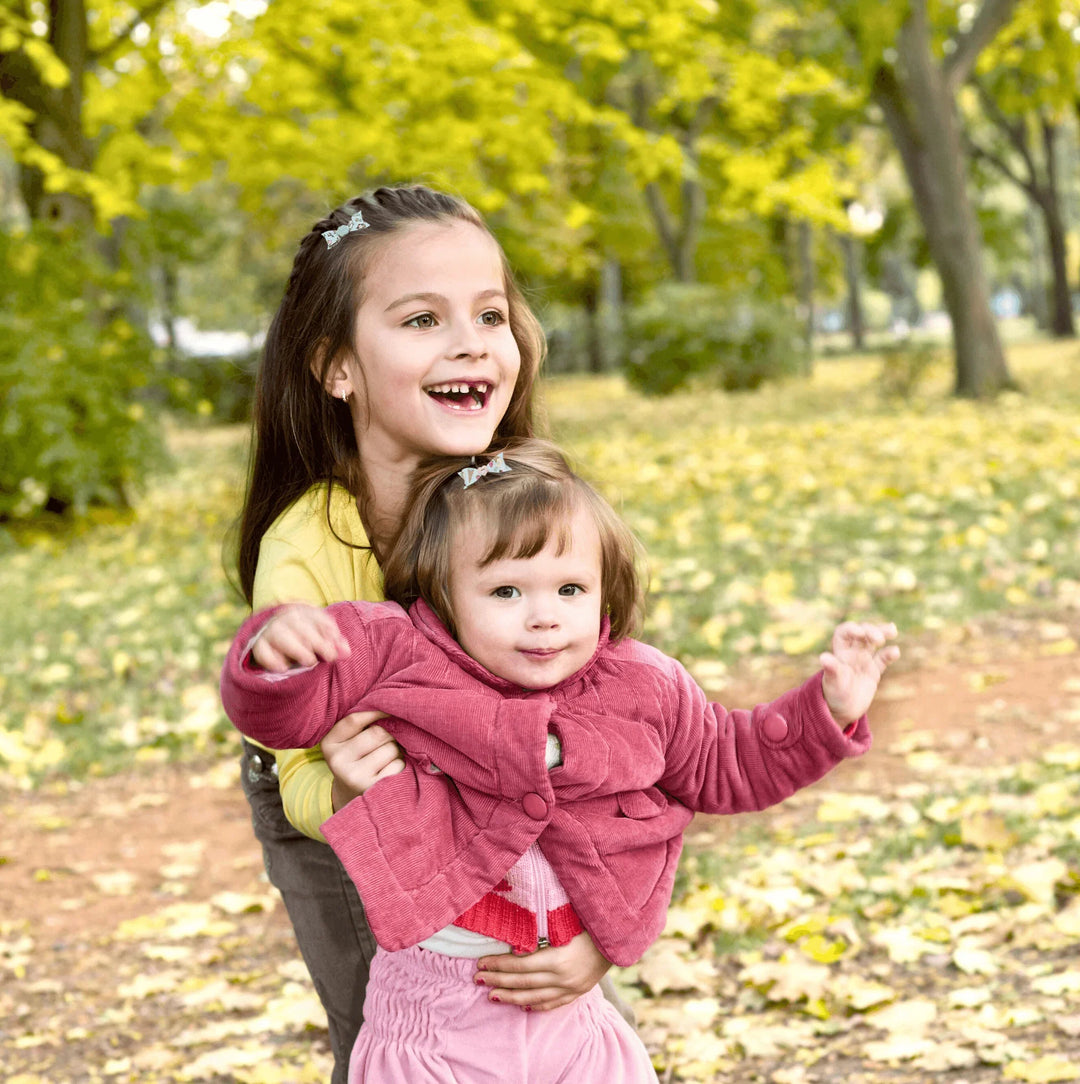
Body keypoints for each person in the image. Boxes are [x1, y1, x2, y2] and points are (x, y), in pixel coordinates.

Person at [222, 438, 900, 1083]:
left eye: (569, 590)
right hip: (435, 1024)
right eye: (506, 592)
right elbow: (292, 712)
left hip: (574, 1028)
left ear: (605, 587)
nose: (544, 617)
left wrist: (829, 711)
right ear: (442, 596)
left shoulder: (646, 686)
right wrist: (277, 652)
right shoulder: (403, 658)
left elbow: (732, 761)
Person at [234, 185, 623, 1084]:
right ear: (336, 368)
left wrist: (603, 929)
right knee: (395, 1038)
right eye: (421, 319)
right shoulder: (312, 549)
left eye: (491, 313)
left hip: (513, 794)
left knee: (557, 1024)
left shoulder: (533, 509)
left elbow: (626, 742)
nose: (470, 342)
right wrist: (345, 789)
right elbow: (297, 764)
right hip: (346, 823)